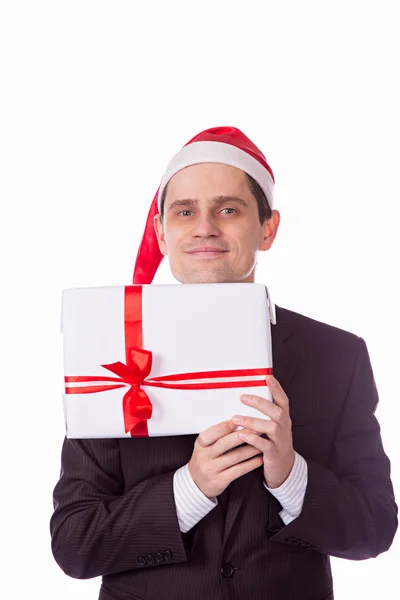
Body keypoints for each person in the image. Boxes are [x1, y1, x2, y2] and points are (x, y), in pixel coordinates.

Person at [50, 126, 397, 600]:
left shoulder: (337, 356)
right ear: (161, 232)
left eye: (228, 209)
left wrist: (291, 474)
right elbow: (74, 544)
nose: (205, 226)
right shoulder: (105, 344)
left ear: (268, 228)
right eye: (185, 211)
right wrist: (190, 488)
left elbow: (375, 529)